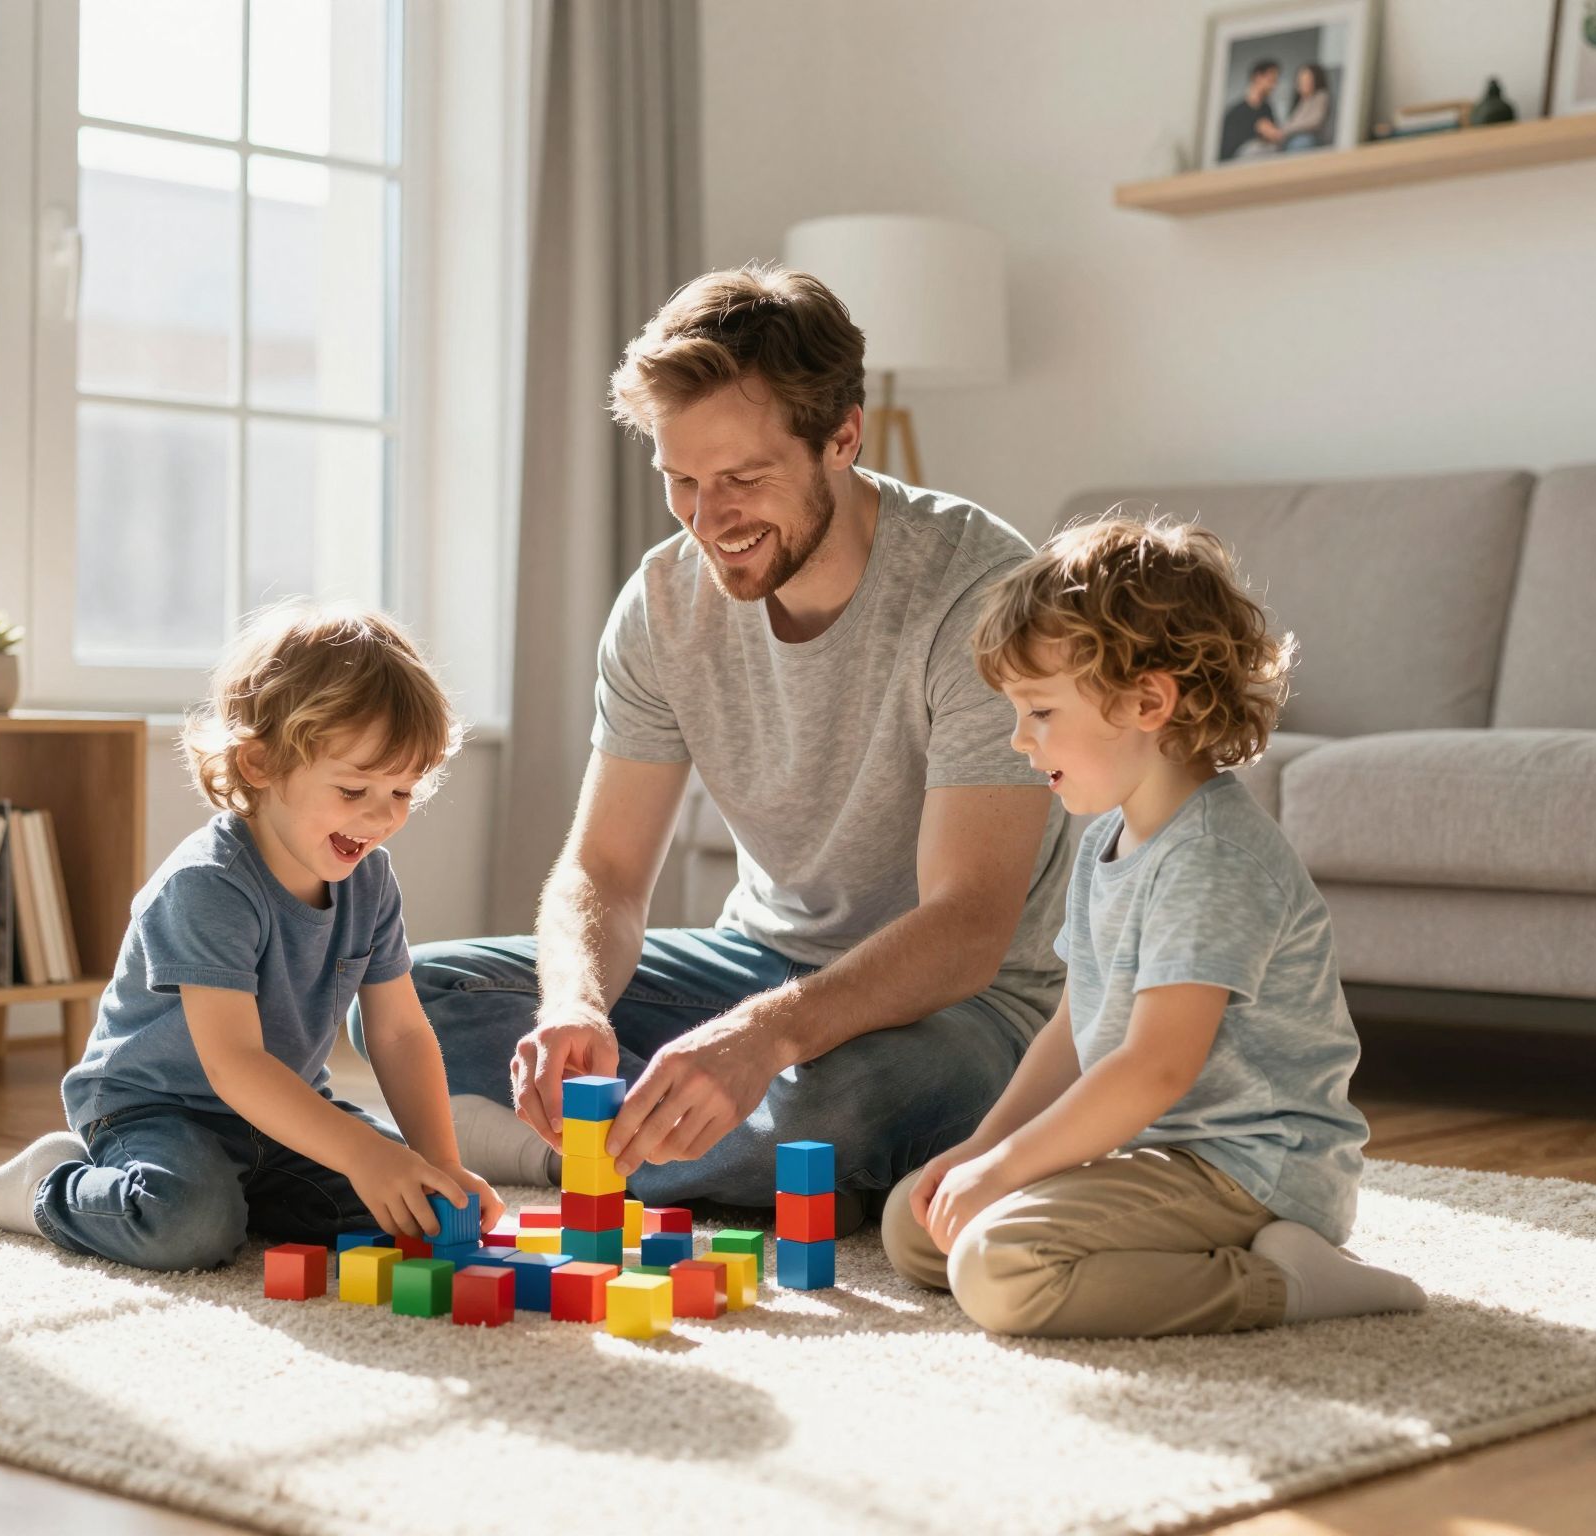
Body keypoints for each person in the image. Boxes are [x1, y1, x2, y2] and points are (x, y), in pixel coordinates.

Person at [398, 265, 1070, 1232]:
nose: (710, 523)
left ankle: (575, 1149)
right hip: (757, 958)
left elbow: (968, 925)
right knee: (419, 997)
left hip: (969, 1007)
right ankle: (668, 1141)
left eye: (745, 480)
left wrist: (760, 1041)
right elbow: (605, 868)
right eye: (682, 482)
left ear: (843, 437)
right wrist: (575, 1006)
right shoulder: (664, 603)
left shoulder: (980, 594)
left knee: (829, 1108)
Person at [881, 517, 1427, 1337]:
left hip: (1251, 1170)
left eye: (1038, 712)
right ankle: (1162, 1256)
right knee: (914, 1226)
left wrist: (1005, 1171)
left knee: (998, 1270)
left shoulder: (1213, 859)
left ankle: (1287, 1282)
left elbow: (1153, 1069)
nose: (1019, 741)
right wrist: (982, 1152)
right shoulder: (1105, 834)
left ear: (1147, 701)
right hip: (1157, 1154)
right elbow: (1075, 1029)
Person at [0, 602, 504, 1269]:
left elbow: (398, 1032)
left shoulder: (371, 880)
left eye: (401, 792)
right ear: (259, 765)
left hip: (280, 1117)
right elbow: (235, 1064)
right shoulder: (209, 885)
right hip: (157, 1112)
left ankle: (246, 1200)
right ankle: (48, 1187)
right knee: (187, 1227)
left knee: (401, 1212)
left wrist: (437, 1167)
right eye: (355, 787)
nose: (381, 817)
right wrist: (364, 1152)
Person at [1220, 58, 1285, 161]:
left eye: (1275, 82)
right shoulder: (1234, 113)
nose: (1273, 86)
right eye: (1270, 81)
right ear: (1258, 77)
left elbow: (1276, 136)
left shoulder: (1267, 109)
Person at [1281, 63, 1332, 152]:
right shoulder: (1300, 102)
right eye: (1301, 79)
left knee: (1299, 144)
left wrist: (1286, 130)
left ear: (1315, 80)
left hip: (1311, 138)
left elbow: (1315, 122)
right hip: (1294, 137)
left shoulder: (1321, 96)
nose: (1303, 83)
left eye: (1307, 79)